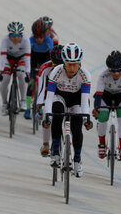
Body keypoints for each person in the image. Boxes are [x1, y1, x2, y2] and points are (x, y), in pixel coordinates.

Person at [42, 43, 93, 178]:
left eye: (75, 64)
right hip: (60, 97)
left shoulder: (85, 75)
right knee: (57, 114)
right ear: (63, 63)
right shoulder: (56, 71)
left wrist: (86, 118)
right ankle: (56, 153)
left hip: (77, 99)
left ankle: (77, 160)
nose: (71, 68)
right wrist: (47, 116)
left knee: (77, 128)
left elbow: (84, 101)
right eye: (69, 64)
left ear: (79, 63)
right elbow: (49, 98)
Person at [92, 50, 121, 161]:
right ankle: (102, 145)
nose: (116, 73)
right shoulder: (103, 76)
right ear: (109, 69)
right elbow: (98, 95)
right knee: (102, 117)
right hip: (105, 97)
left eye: (119, 70)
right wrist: (96, 108)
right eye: (113, 70)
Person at [0, 22, 31, 115]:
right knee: (5, 80)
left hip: (21, 60)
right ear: (9, 34)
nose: (16, 38)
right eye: (13, 35)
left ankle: (23, 100)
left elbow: (27, 57)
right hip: (9, 60)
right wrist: (1, 70)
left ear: (21, 34)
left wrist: (28, 71)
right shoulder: (5, 40)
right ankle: (4, 104)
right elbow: (3, 56)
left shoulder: (26, 40)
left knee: (21, 75)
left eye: (18, 35)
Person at [35, 44, 64, 157]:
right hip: (50, 92)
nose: (56, 67)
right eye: (54, 64)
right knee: (47, 117)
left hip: (65, 92)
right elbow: (41, 88)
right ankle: (46, 144)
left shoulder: (70, 67)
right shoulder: (45, 67)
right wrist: (39, 104)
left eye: (59, 65)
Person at [24, 19, 54, 119]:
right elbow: (26, 56)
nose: (39, 39)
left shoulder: (49, 40)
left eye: (41, 37)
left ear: (45, 34)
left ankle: (41, 105)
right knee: (31, 83)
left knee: (46, 82)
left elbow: (51, 56)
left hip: (44, 59)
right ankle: (28, 108)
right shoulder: (30, 40)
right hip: (33, 59)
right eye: (36, 36)